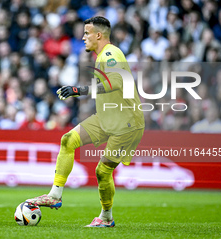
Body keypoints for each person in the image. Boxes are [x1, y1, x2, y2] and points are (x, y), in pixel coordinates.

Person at [27, 16, 145, 227]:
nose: (82, 38)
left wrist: (80, 90)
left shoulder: (111, 53)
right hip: (107, 117)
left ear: (98, 35)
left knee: (102, 171)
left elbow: (117, 81)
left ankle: (106, 217)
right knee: (67, 140)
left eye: (86, 33)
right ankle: (55, 195)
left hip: (127, 123)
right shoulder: (102, 56)